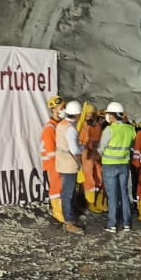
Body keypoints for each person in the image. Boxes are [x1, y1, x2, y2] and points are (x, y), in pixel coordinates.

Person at [99, 102, 136, 233]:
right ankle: (127, 223)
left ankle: (112, 224)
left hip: (109, 165)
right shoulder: (130, 129)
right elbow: (132, 143)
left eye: (108, 114)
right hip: (124, 165)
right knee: (124, 194)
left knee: (112, 195)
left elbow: (101, 148)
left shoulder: (109, 130)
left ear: (112, 116)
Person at [55, 100, 85, 233]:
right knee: (68, 193)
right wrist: (83, 146)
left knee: (67, 192)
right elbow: (75, 150)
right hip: (69, 164)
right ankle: (69, 222)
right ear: (77, 115)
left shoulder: (61, 124)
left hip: (61, 162)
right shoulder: (71, 129)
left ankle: (69, 217)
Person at [41, 95, 67, 223]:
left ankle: (63, 211)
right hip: (54, 163)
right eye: (61, 108)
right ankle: (58, 213)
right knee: (56, 188)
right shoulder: (50, 128)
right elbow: (51, 151)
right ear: (53, 110)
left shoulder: (59, 125)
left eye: (63, 107)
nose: (62, 110)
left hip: (61, 162)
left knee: (63, 187)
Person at [78, 102, 106, 213]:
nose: (90, 117)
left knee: (99, 177)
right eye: (88, 115)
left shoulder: (97, 127)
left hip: (95, 154)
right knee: (89, 179)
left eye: (92, 115)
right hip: (86, 155)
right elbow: (80, 143)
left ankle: (96, 202)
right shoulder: (82, 127)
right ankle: (89, 203)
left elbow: (99, 141)